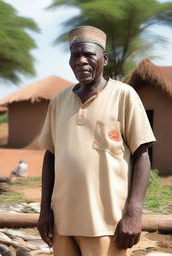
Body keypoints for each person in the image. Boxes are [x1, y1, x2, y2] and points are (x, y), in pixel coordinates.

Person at [37, 26, 156, 256]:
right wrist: (45, 211)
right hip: (63, 221)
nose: (80, 61)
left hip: (106, 223)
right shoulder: (59, 100)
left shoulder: (124, 95)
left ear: (104, 58)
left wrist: (133, 214)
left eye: (89, 55)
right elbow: (50, 155)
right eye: (75, 55)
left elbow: (142, 156)